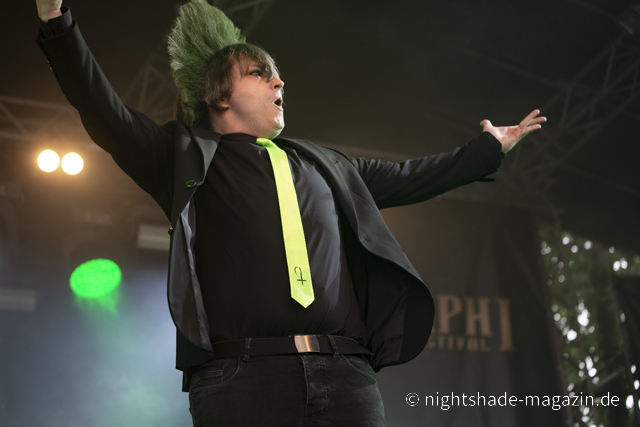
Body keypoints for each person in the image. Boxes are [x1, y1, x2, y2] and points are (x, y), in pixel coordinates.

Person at [35, 0, 546, 425]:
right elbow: (103, 110)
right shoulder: (183, 157)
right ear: (216, 96)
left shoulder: (328, 164)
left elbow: (413, 176)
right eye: (260, 74)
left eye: (278, 76)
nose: (279, 83)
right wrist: (57, 20)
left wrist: (487, 150)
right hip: (241, 381)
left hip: (346, 375)